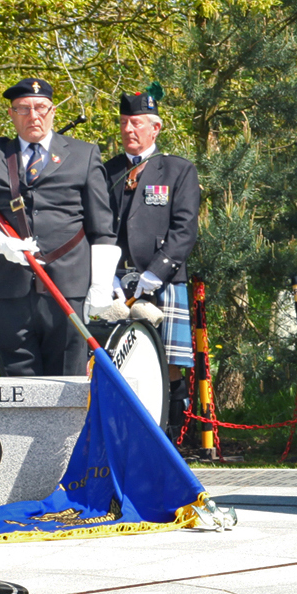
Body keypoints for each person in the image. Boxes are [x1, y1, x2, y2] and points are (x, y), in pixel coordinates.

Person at [0, 77, 120, 376]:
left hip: (68, 288)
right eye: (24, 109)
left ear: (53, 111)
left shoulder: (84, 154)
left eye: (41, 107)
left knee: (68, 383)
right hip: (9, 289)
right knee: (17, 387)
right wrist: (1, 244)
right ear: (11, 114)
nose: (34, 116)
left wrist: (101, 285)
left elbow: (102, 227)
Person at [102, 83, 201, 425]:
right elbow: (98, 224)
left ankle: (170, 440)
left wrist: (156, 272)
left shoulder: (178, 170)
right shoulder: (107, 170)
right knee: (116, 358)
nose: (129, 129)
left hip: (164, 279)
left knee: (169, 363)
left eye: (137, 122)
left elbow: (185, 228)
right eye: (125, 122)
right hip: (115, 282)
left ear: (155, 127)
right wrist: (107, 274)